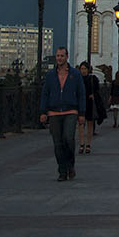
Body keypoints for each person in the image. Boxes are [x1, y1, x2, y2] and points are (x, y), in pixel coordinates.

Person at [39, 47, 86, 181]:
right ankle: (62, 170)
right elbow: (45, 94)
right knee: (58, 143)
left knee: (68, 139)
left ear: (67, 57)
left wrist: (81, 113)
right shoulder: (50, 75)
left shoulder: (75, 74)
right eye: (57, 56)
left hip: (70, 111)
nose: (59, 58)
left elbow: (81, 94)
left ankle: (70, 164)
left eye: (61, 56)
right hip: (54, 112)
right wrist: (43, 111)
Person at [77, 61, 103, 154]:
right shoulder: (78, 79)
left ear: (88, 70)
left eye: (85, 69)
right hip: (81, 103)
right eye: (82, 69)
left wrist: (93, 95)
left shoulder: (93, 78)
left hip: (90, 103)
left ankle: (88, 144)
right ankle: (81, 143)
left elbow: (96, 90)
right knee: (81, 124)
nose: (83, 71)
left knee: (90, 124)